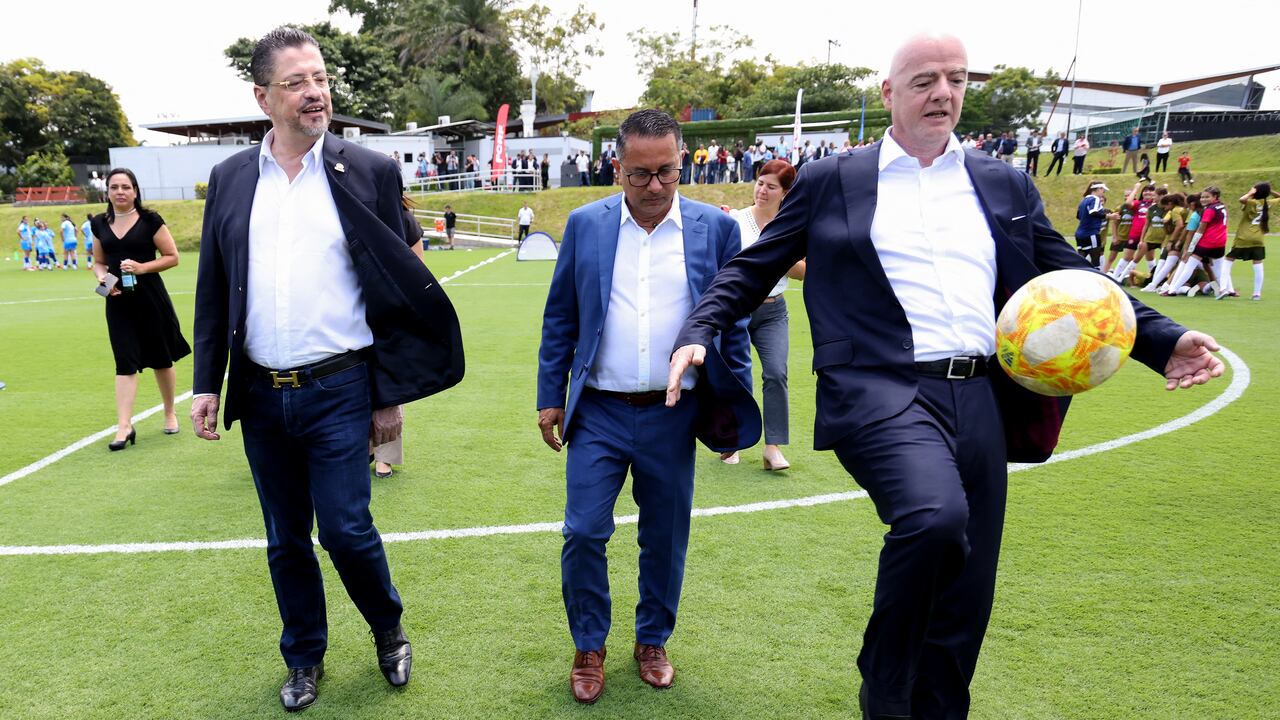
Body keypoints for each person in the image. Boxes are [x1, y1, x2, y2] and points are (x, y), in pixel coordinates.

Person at [666, 33, 1223, 719]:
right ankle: (885, 685)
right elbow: (753, 268)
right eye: (925, 79)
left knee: (967, 588)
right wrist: (698, 332)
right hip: (877, 387)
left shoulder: (1002, 182)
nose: (944, 93)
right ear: (889, 94)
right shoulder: (834, 178)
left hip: (981, 396)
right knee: (934, 519)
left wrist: (1165, 340)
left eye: (956, 79)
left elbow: (1071, 275)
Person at [189, 27, 465, 712]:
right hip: (258, 393)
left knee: (345, 530)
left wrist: (391, 394)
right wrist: (205, 382)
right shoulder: (228, 180)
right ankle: (304, 656)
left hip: (341, 387)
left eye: (319, 79)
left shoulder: (368, 170)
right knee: (286, 541)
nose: (315, 93)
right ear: (263, 97)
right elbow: (214, 287)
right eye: (296, 83)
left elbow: (400, 288)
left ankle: (387, 626)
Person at [536, 108, 759, 705]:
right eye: (639, 174)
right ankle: (589, 645)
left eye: (666, 171)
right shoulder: (585, 225)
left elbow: (731, 327)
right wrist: (548, 399)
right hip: (600, 412)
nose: (655, 185)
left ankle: (652, 639)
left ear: (682, 160)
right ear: (618, 167)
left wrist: (734, 405)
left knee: (665, 535)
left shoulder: (716, 229)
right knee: (583, 531)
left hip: (674, 413)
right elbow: (561, 316)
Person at [89, 168, 191, 450]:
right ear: (107, 192)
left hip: (150, 298)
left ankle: (169, 412)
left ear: (135, 190)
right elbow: (98, 261)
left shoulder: (150, 220)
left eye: (126, 186)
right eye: (114, 187)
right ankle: (124, 426)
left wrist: (142, 267)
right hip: (118, 301)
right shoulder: (98, 223)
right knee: (124, 361)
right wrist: (101, 279)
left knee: (161, 359)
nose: (120, 192)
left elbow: (172, 257)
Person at [724, 159, 806, 470]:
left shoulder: (793, 225)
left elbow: (804, 272)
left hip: (774, 311)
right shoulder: (735, 221)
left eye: (771, 187)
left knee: (776, 373)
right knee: (736, 376)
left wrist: (775, 254)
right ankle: (733, 440)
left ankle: (772, 448)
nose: (762, 190)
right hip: (738, 308)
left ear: (785, 193)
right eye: (760, 183)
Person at [372, 195, 428, 479]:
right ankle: (364, 447)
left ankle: (386, 457)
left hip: (393, 314)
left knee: (390, 386)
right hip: (359, 311)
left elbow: (419, 271)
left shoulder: (405, 221)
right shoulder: (358, 212)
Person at [1165, 187, 1230, 298]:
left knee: (1189, 265)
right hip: (1220, 242)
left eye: (1207, 197)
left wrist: (1191, 248)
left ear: (1215, 197)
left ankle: (1172, 290)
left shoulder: (1209, 210)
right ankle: (1224, 289)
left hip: (1207, 242)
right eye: (1202, 197)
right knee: (1219, 268)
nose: (1203, 199)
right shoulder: (1222, 206)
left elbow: (1200, 229)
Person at [1218, 182, 1276, 300]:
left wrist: (1250, 192)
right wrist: (1270, 191)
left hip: (1243, 237)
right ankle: (1256, 294)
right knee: (1258, 263)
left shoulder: (1252, 202)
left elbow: (1242, 199)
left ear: (1256, 191)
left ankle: (1223, 288)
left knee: (1228, 260)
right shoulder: (1267, 203)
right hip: (1258, 238)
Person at [1074, 181, 1110, 268]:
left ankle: (1073, 273)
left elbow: (1078, 216)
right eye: (1103, 190)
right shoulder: (1095, 199)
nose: (1103, 193)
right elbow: (1093, 212)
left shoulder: (1084, 200)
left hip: (1080, 233)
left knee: (1081, 259)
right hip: (1091, 233)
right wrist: (1108, 216)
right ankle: (1097, 278)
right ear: (1098, 189)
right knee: (1095, 261)